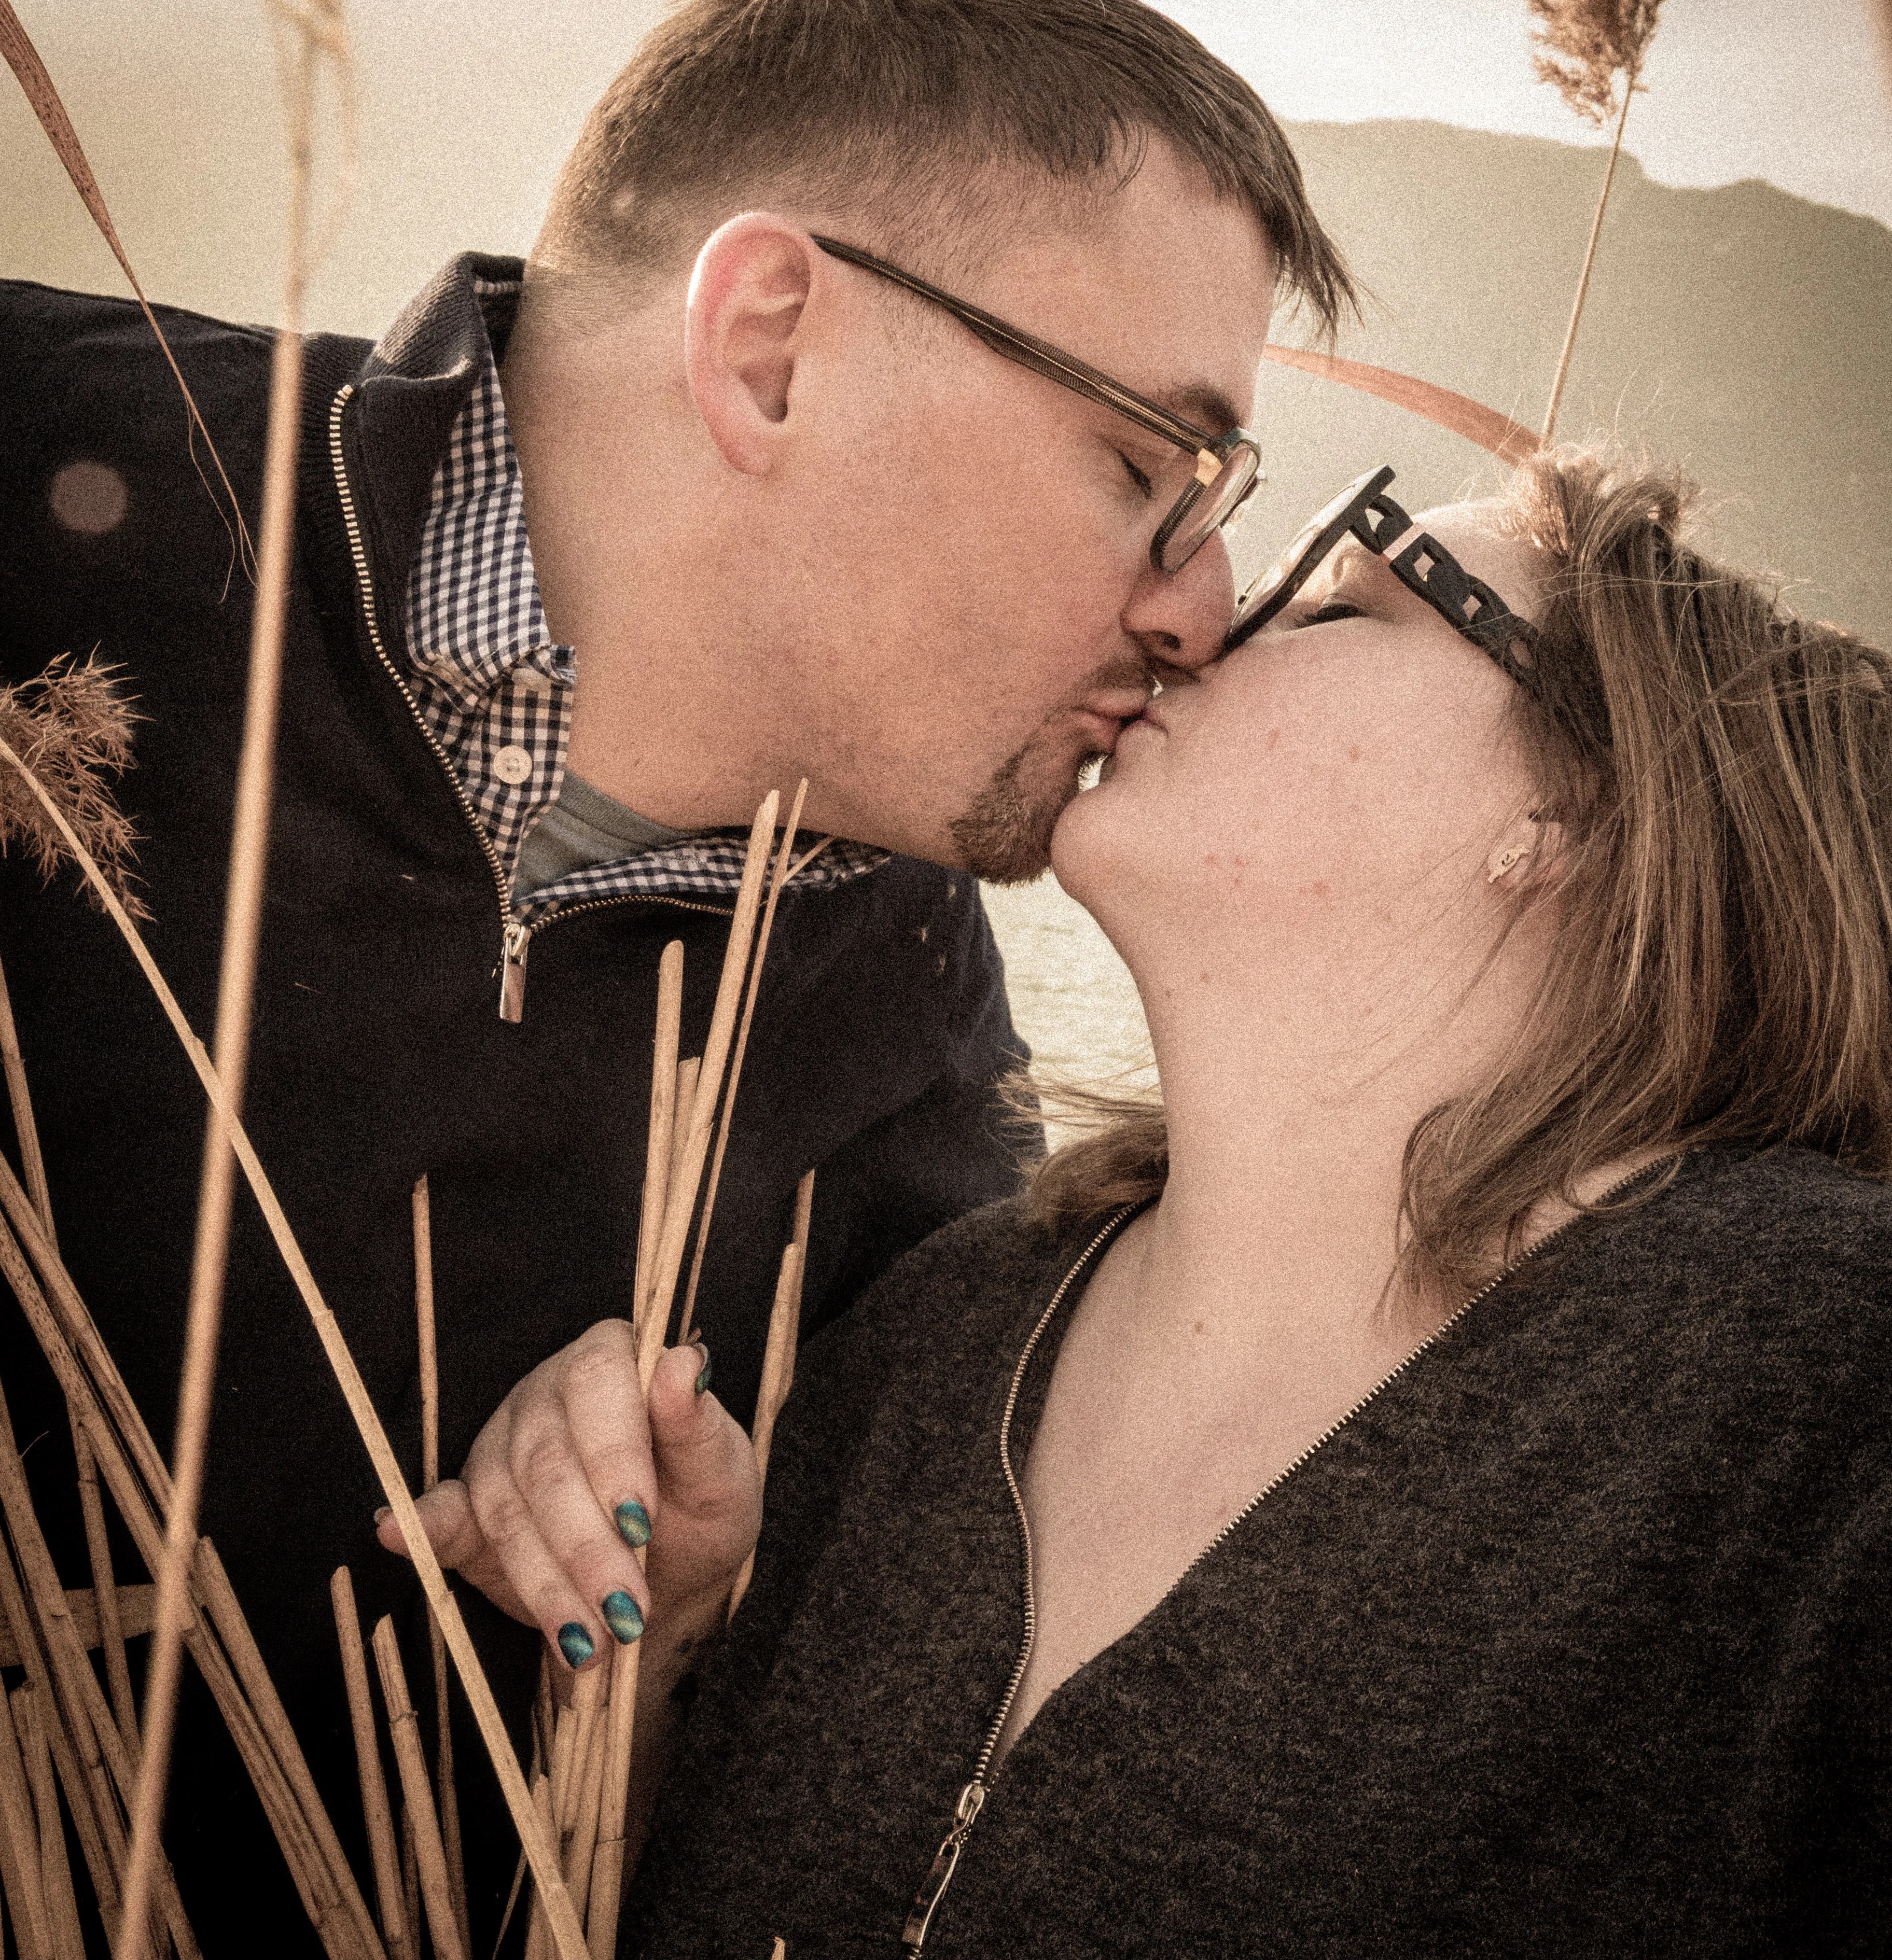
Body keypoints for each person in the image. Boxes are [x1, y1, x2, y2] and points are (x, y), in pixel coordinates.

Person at [0, 0, 1352, 1949]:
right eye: (1145, 462)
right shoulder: (38, 462)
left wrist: (696, 1617)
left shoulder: (915, 1047)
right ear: (771, 347)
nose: (1202, 603)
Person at [434, 447, 1892, 1954]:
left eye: (1345, 598)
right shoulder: (938, 1335)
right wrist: (660, 1638)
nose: (1200, 625)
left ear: (1585, 805)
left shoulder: (1828, 1388)